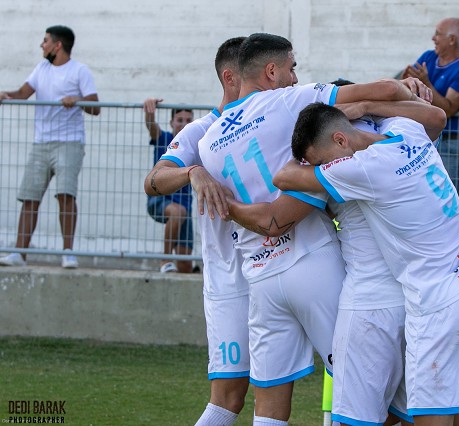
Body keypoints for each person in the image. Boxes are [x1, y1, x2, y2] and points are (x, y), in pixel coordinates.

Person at [197, 33, 428, 425]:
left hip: (261, 280)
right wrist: (402, 88)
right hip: (311, 262)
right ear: (271, 71)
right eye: (292, 68)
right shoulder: (285, 102)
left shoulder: (208, 142)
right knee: (369, 389)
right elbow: (386, 90)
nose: (294, 77)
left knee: (269, 406)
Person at [272, 102, 459, 426]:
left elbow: (283, 177)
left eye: (322, 161)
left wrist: (308, 147)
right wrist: (363, 107)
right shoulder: (406, 130)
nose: (324, 168)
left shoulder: (364, 169)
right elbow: (431, 114)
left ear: (340, 140)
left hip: (438, 308)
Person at [143, 37, 250, 426]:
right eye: (262, 72)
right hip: (229, 282)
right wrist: (192, 171)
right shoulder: (200, 132)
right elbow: (153, 180)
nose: (277, 81)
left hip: (283, 272)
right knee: (229, 398)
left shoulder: (276, 117)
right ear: (231, 77)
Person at [0, 25, 100, 268]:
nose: (41, 45)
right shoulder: (41, 68)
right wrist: (5, 95)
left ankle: (68, 252)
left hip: (69, 142)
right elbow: (22, 93)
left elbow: (95, 106)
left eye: (45, 41)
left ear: (58, 45)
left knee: (65, 195)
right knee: (30, 198)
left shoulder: (79, 70)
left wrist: (76, 100)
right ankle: (19, 253)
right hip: (41, 143)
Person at [402, 17, 459, 195]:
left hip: (450, 144)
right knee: (417, 193)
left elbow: (449, 109)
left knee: (444, 195)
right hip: (422, 139)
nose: (433, 38)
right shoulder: (428, 58)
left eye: (438, 34)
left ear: (452, 40)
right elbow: (409, 86)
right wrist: (406, 82)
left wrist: (426, 82)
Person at [142, 99, 195, 273]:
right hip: (160, 200)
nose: (184, 124)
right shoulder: (164, 138)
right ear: (171, 122)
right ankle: (165, 260)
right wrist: (149, 110)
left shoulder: (195, 146)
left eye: (188, 121)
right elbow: (151, 126)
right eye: (180, 120)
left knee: (186, 265)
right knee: (177, 212)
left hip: (185, 206)